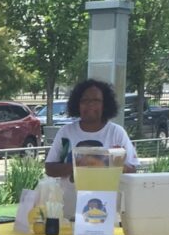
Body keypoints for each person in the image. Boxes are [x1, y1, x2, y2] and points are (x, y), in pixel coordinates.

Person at [44, 79, 139, 214]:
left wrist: (107, 162)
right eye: (84, 100)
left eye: (96, 100)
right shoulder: (66, 132)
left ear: (105, 105)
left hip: (107, 210)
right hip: (70, 209)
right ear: (77, 104)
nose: (90, 105)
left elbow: (132, 170)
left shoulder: (116, 132)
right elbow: (49, 168)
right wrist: (80, 165)